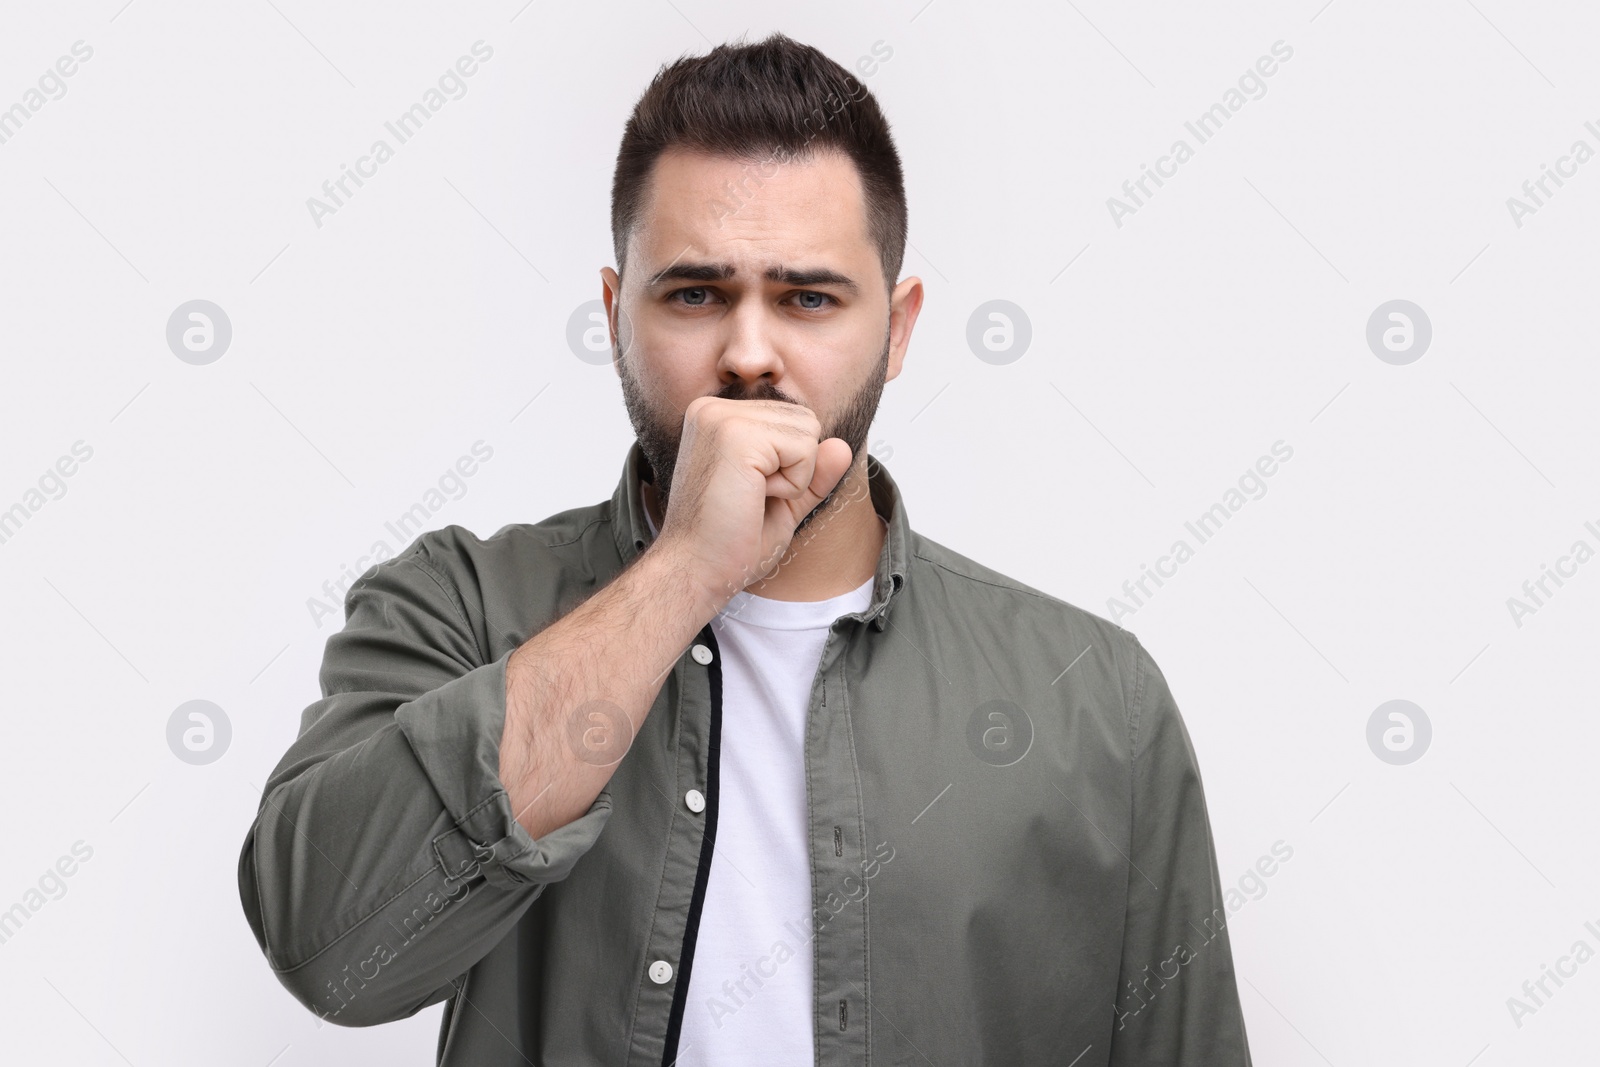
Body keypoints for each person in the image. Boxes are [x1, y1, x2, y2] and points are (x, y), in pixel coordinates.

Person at [238, 31, 1252, 1066]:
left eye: (808, 296)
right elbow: (335, 954)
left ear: (897, 330)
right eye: (694, 293)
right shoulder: (452, 605)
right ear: (614, 315)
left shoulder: (1096, 696)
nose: (750, 354)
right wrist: (686, 569)